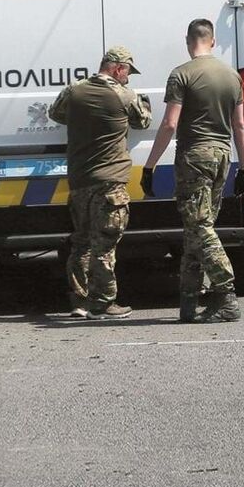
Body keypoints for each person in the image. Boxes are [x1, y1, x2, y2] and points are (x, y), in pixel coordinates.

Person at [142, 19, 244, 323]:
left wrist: (149, 166)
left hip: (194, 157)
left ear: (188, 41)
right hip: (222, 157)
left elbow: (170, 124)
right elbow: (240, 126)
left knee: (200, 226)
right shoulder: (232, 76)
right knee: (195, 230)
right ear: (212, 42)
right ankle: (188, 304)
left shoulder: (181, 75)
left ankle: (226, 292)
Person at [48, 47, 152, 319]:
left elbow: (56, 114)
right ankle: (104, 302)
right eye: (128, 71)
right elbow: (142, 121)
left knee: (81, 242)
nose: (128, 77)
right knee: (105, 244)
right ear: (118, 68)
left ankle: (79, 301)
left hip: (80, 180)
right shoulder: (123, 94)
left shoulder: (74, 91)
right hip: (110, 184)